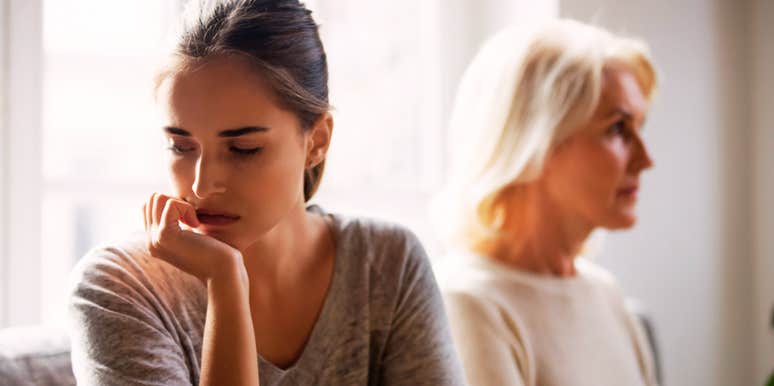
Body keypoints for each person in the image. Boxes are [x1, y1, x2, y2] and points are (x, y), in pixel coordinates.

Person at [66, 1, 464, 385]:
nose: (202, 186)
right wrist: (226, 281)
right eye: (181, 146)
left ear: (317, 141)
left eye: (243, 149)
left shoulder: (386, 265)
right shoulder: (117, 289)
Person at [434, 19, 659, 386]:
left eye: (639, 127)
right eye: (618, 128)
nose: (646, 159)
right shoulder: (466, 303)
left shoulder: (605, 294)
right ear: (536, 142)